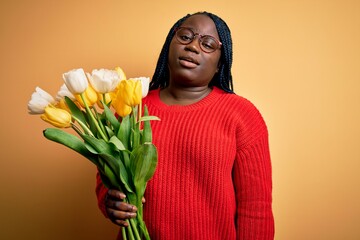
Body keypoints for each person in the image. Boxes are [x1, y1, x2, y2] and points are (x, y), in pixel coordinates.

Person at [96, 11, 275, 239]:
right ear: (169, 45)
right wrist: (110, 202)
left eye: (208, 44)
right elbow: (107, 180)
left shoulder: (242, 114)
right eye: (185, 36)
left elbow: (255, 209)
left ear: (220, 63)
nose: (192, 47)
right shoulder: (131, 108)